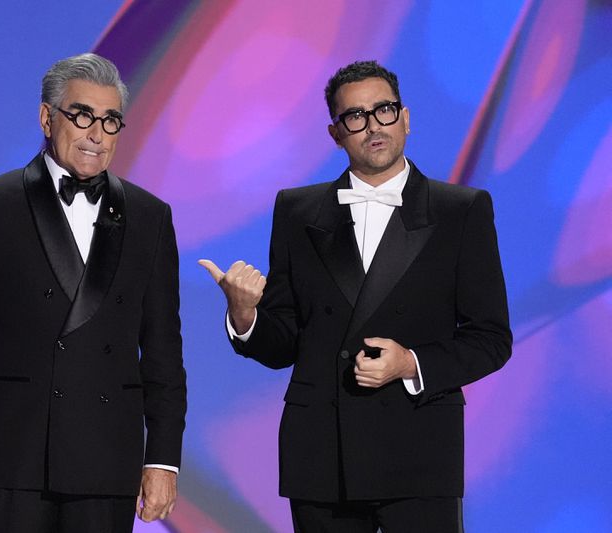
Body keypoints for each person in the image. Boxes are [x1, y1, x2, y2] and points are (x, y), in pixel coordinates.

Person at [199, 60, 512, 532]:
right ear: (335, 132)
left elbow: (491, 337)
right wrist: (245, 315)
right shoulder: (296, 210)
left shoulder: (461, 211)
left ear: (405, 118)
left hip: (420, 451)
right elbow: (284, 341)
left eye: (383, 110)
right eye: (355, 116)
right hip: (322, 454)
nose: (373, 126)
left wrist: (411, 363)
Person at [0, 53, 186, 533]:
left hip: (107, 459)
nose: (96, 134)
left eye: (110, 121)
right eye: (82, 115)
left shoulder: (151, 217)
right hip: (12, 458)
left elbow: (164, 351)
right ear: (48, 118)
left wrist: (164, 460)